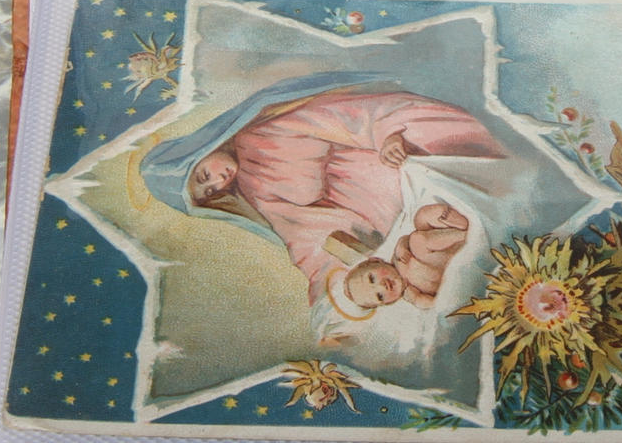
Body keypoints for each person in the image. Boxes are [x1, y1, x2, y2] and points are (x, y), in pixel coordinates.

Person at [140, 73, 505, 306]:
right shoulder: (252, 192)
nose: (218, 183)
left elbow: (345, 116)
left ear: (202, 148)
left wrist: (388, 136)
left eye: (204, 175)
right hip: (378, 213)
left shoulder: (264, 130)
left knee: (462, 204)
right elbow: (304, 237)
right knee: (424, 275)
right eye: (209, 192)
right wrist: (325, 296)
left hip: (390, 159)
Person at [343, 203, 470, 312]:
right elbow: (431, 303)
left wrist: (401, 247)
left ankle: (460, 229)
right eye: (380, 296)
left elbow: (405, 239)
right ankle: (463, 234)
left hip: (442, 248)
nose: (382, 286)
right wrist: (419, 299)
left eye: (372, 278)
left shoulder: (397, 257)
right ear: (387, 303)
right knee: (417, 240)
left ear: (375, 261)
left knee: (420, 219)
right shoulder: (410, 293)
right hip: (445, 272)